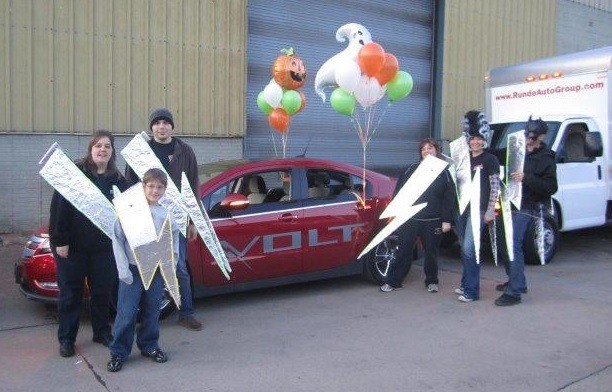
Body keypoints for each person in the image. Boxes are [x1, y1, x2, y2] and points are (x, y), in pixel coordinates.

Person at [49, 130, 129, 357]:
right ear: (91, 149)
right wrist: (60, 240)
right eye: (98, 146)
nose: (102, 150)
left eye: (107, 146)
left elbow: (126, 212)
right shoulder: (75, 174)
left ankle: (101, 332)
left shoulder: (118, 179)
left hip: (104, 248)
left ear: (112, 152)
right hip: (73, 247)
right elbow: (59, 208)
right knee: (70, 294)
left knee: (102, 292)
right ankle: (67, 338)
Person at [125, 108, 202, 331]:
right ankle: (148, 316)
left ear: (172, 126)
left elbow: (193, 186)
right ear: (151, 127)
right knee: (148, 266)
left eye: (165, 122)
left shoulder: (184, 151)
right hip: (147, 219)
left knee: (180, 268)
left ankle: (186, 313)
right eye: (157, 123)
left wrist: (193, 221)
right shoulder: (141, 151)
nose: (161, 126)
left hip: (177, 219)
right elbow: (130, 185)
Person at [107, 168, 179, 372]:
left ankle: (150, 346)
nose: (155, 190)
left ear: (164, 190)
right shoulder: (130, 212)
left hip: (155, 271)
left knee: (152, 311)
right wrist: (123, 270)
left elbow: (172, 245)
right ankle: (119, 352)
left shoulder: (166, 215)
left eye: (159, 187)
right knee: (127, 313)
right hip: (132, 269)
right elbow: (118, 240)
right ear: (143, 187)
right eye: (151, 186)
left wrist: (169, 270)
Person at [494, 116, 558, 306]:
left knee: (513, 244)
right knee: (504, 244)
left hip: (528, 205)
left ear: (541, 137)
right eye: (527, 134)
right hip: (509, 202)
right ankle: (517, 282)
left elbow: (551, 187)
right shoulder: (516, 150)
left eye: (532, 136)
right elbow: (496, 154)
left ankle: (514, 292)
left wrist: (526, 178)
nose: (528, 138)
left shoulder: (546, 158)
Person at [380, 138, 456, 293]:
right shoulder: (411, 169)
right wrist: (396, 213)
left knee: (431, 253)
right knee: (403, 250)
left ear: (437, 151)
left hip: (433, 221)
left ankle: (432, 281)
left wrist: (447, 220)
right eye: (423, 149)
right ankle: (394, 281)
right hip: (411, 219)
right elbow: (399, 192)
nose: (426, 151)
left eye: (430, 148)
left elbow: (449, 199)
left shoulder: (445, 173)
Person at [455, 110, 500, 303]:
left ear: (485, 139)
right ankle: (466, 284)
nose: (475, 142)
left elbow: (495, 187)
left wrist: (490, 210)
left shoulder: (490, 160)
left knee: (470, 249)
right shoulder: (463, 160)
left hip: (479, 210)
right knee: (465, 250)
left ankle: (472, 291)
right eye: (472, 138)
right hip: (463, 209)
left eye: (479, 139)